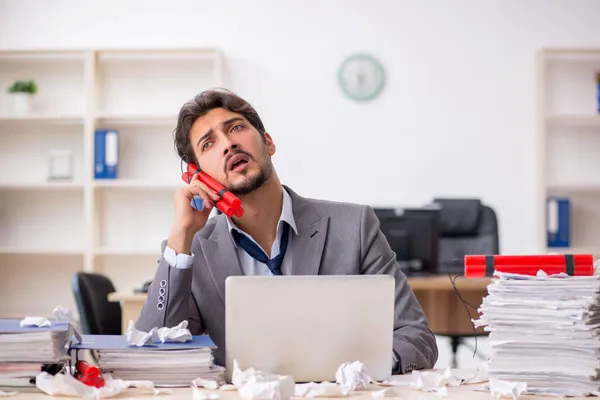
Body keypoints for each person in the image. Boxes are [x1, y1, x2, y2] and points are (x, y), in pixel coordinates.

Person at [135, 88, 438, 374]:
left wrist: (367, 368)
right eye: (208, 143)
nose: (228, 144)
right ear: (198, 176)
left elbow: (416, 336)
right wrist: (182, 234)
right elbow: (153, 348)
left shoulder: (355, 226)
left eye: (236, 128)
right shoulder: (192, 248)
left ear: (268, 142)